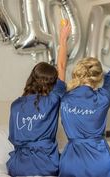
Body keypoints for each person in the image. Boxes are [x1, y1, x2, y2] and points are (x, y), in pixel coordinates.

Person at [59, 34, 110, 177]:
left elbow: (60, 67)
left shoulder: (63, 96)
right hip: (100, 162)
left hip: (71, 162)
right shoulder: (103, 97)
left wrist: (63, 39)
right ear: (98, 78)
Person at [6, 21, 71, 176]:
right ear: (53, 83)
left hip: (18, 167)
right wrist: (63, 40)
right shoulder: (53, 99)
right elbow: (61, 66)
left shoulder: (15, 105)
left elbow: (14, 139)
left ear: (32, 78)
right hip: (46, 165)